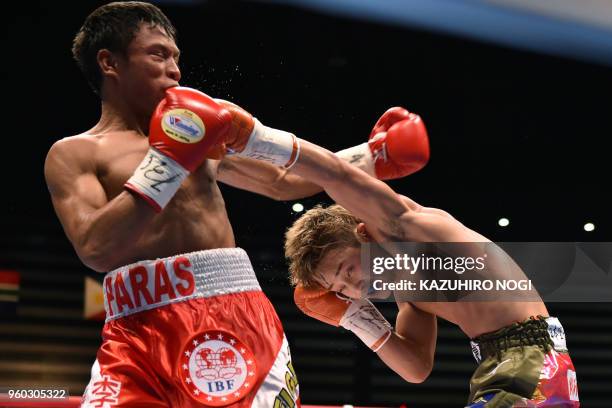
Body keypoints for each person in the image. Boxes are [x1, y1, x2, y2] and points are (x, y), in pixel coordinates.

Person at [44, 3, 428, 406]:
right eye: (158, 54)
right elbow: (96, 248)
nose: (174, 69)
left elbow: (280, 181)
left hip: (224, 310)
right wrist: (169, 160)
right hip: (131, 329)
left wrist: (370, 156)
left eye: (176, 57)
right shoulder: (74, 154)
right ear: (109, 62)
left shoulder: (197, 125)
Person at [222, 108, 581, 407]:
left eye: (347, 269)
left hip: (527, 360)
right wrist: (357, 318)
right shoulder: (407, 293)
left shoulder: (408, 230)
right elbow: (416, 368)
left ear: (363, 232)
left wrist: (258, 139)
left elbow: (333, 174)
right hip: (509, 364)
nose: (352, 287)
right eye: (340, 288)